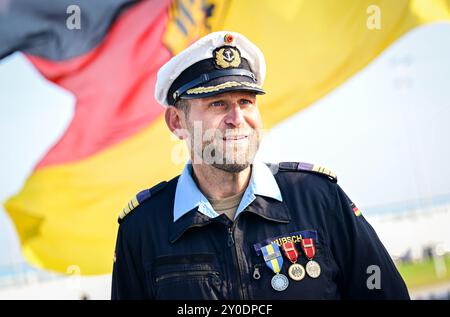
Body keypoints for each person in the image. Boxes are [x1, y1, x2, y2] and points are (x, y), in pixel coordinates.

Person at [111, 31, 410, 300]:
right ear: (177, 121)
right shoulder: (141, 229)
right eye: (218, 104)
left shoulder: (318, 198)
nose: (237, 118)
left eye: (246, 101)